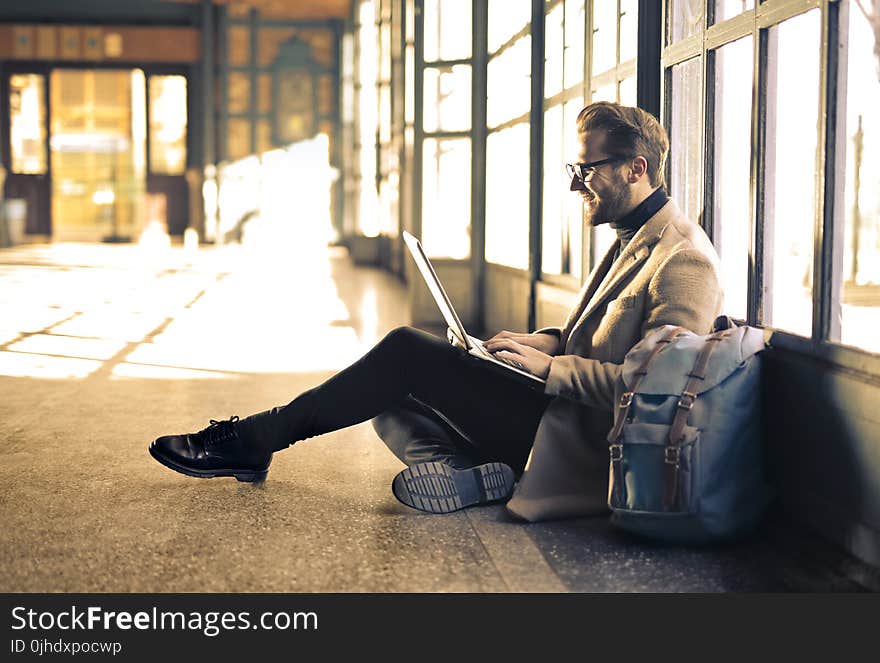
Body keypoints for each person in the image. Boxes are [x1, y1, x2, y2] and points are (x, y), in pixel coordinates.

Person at [149, 101, 723, 520]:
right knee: (380, 397)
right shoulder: (636, 233)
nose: (577, 186)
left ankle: (255, 439)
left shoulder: (682, 260)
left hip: (579, 442)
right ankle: (470, 476)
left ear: (636, 168)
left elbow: (659, 393)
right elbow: (601, 337)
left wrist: (548, 370)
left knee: (405, 350)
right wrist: (543, 341)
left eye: (586, 170)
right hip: (553, 412)